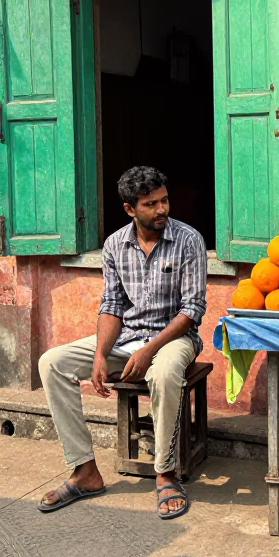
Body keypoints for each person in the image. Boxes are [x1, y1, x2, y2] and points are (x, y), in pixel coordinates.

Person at [37, 167, 207, 518]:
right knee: (52, 362)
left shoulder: (189, 240)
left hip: (176, 338)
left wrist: (150, 350)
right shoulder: (115, 245)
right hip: (127, 337)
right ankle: (85, 471)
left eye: (164, 200)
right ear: (130, 209)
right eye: (150, 204)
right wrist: (100, 354)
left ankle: (165, 473)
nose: (161, 209)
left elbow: (192, 310)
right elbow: (112, 305)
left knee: (163, 373)